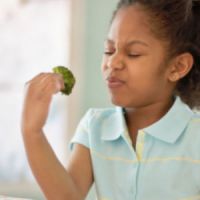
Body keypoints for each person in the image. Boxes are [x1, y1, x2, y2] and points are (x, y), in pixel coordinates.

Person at [21, 0, 200, 199]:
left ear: (177, 67)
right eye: (109, 50)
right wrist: (32, 131)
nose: (113, 62)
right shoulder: (94, 127)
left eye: (133, 54)